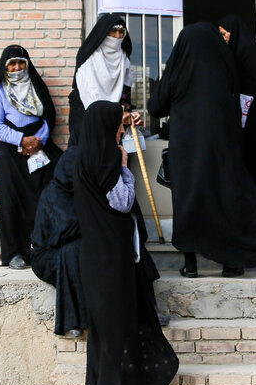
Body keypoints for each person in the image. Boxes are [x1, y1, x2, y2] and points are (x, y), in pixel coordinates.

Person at [147, 22, 256, 277]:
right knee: (224, 201)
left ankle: (190, 265)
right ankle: (231, 263)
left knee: (189, 202)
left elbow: (155, 107)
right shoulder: (226, 68)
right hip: (223, 152)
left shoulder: (180, 68)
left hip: (187, 153)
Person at [73, 101, 178, 385]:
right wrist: (123, 167)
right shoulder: (106, 157)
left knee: (104, 332)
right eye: (117, 124)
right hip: (111, 260)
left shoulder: (82, 156)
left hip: (96, 257)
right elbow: (121, 202)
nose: (121, 129)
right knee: (116, 330)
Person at [31, 110, 163, 337]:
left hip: (86, 239)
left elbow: (120, 208)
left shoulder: (89, 188)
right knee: (78, 250)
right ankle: (76, 319)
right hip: (52, 254)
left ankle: (145, 308)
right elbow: (69, 229)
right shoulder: (55, 198)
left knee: (124, 241)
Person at [0, 45, 61, 270]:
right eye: (12, 64)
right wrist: (22, 140)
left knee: (45, 194)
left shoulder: (36, 87)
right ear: (5, 67)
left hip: (39, 148)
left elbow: (49, 116)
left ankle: (41, 247)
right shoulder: (0, 92)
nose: (17, 68)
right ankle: (15, 253)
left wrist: (38, 141)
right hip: (11, 152)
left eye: (21, 63)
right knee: (12, 200)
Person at [218, 14, 256, 179]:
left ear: (234, 32)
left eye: (224, 34)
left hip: (251, 107)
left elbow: (250, 84)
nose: (223, 38)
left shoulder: (251, 50)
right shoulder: (234, 52)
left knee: (250, 144)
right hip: (242, 107)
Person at [69, 13, 133, 145]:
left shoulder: (124, 58)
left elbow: (125, 90)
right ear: (104, 33)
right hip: (85, 114)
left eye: (121, 32)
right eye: (113, 31)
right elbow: (87, 91)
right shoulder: (90, 58)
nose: (117, 36)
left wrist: (124, 110)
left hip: (114, 119)